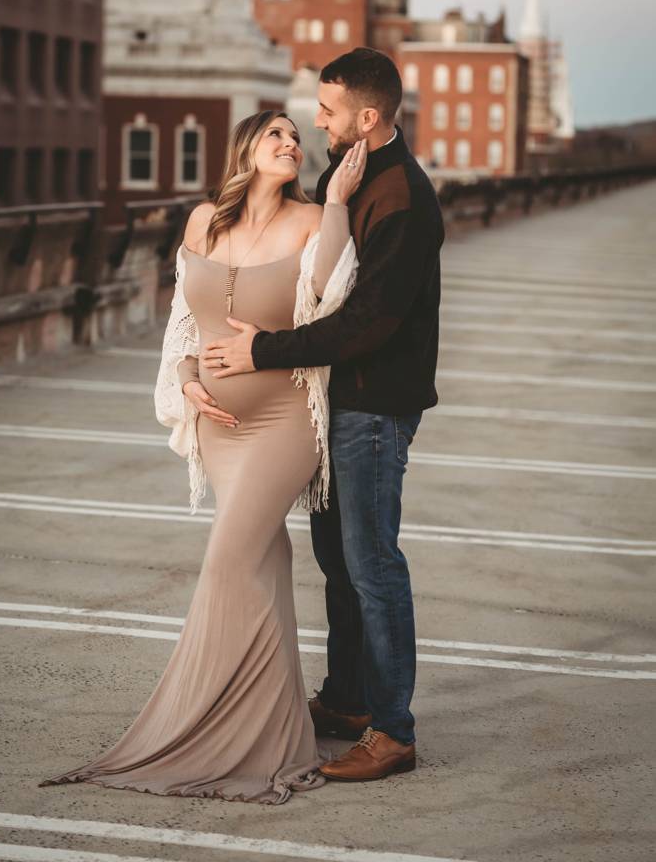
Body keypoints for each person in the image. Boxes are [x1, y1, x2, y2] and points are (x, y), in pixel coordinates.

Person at [41, 110, 363, 804]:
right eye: (275, 133)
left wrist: (337, 202)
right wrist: (187, 379)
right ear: (247, 147)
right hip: (218, 424)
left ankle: (195, 725)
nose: (289, 142)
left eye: (295, 137)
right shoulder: (202, 223)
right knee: (263, 563)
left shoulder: (312, 219)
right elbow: (183, 321)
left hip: (284, 419)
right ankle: (276, 732)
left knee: (228, 559)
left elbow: (336, 297)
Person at [203, 47, 442, 783]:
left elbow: (365, 322)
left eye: (329, 111)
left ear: (367, 118)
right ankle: (347, 700)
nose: (316, 121)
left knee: (372, 565)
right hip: (336, 404)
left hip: (373, 407)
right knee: (339, 561)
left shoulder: (399, 195)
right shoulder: (353, 176)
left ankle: (392, 732)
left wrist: (264, 351)